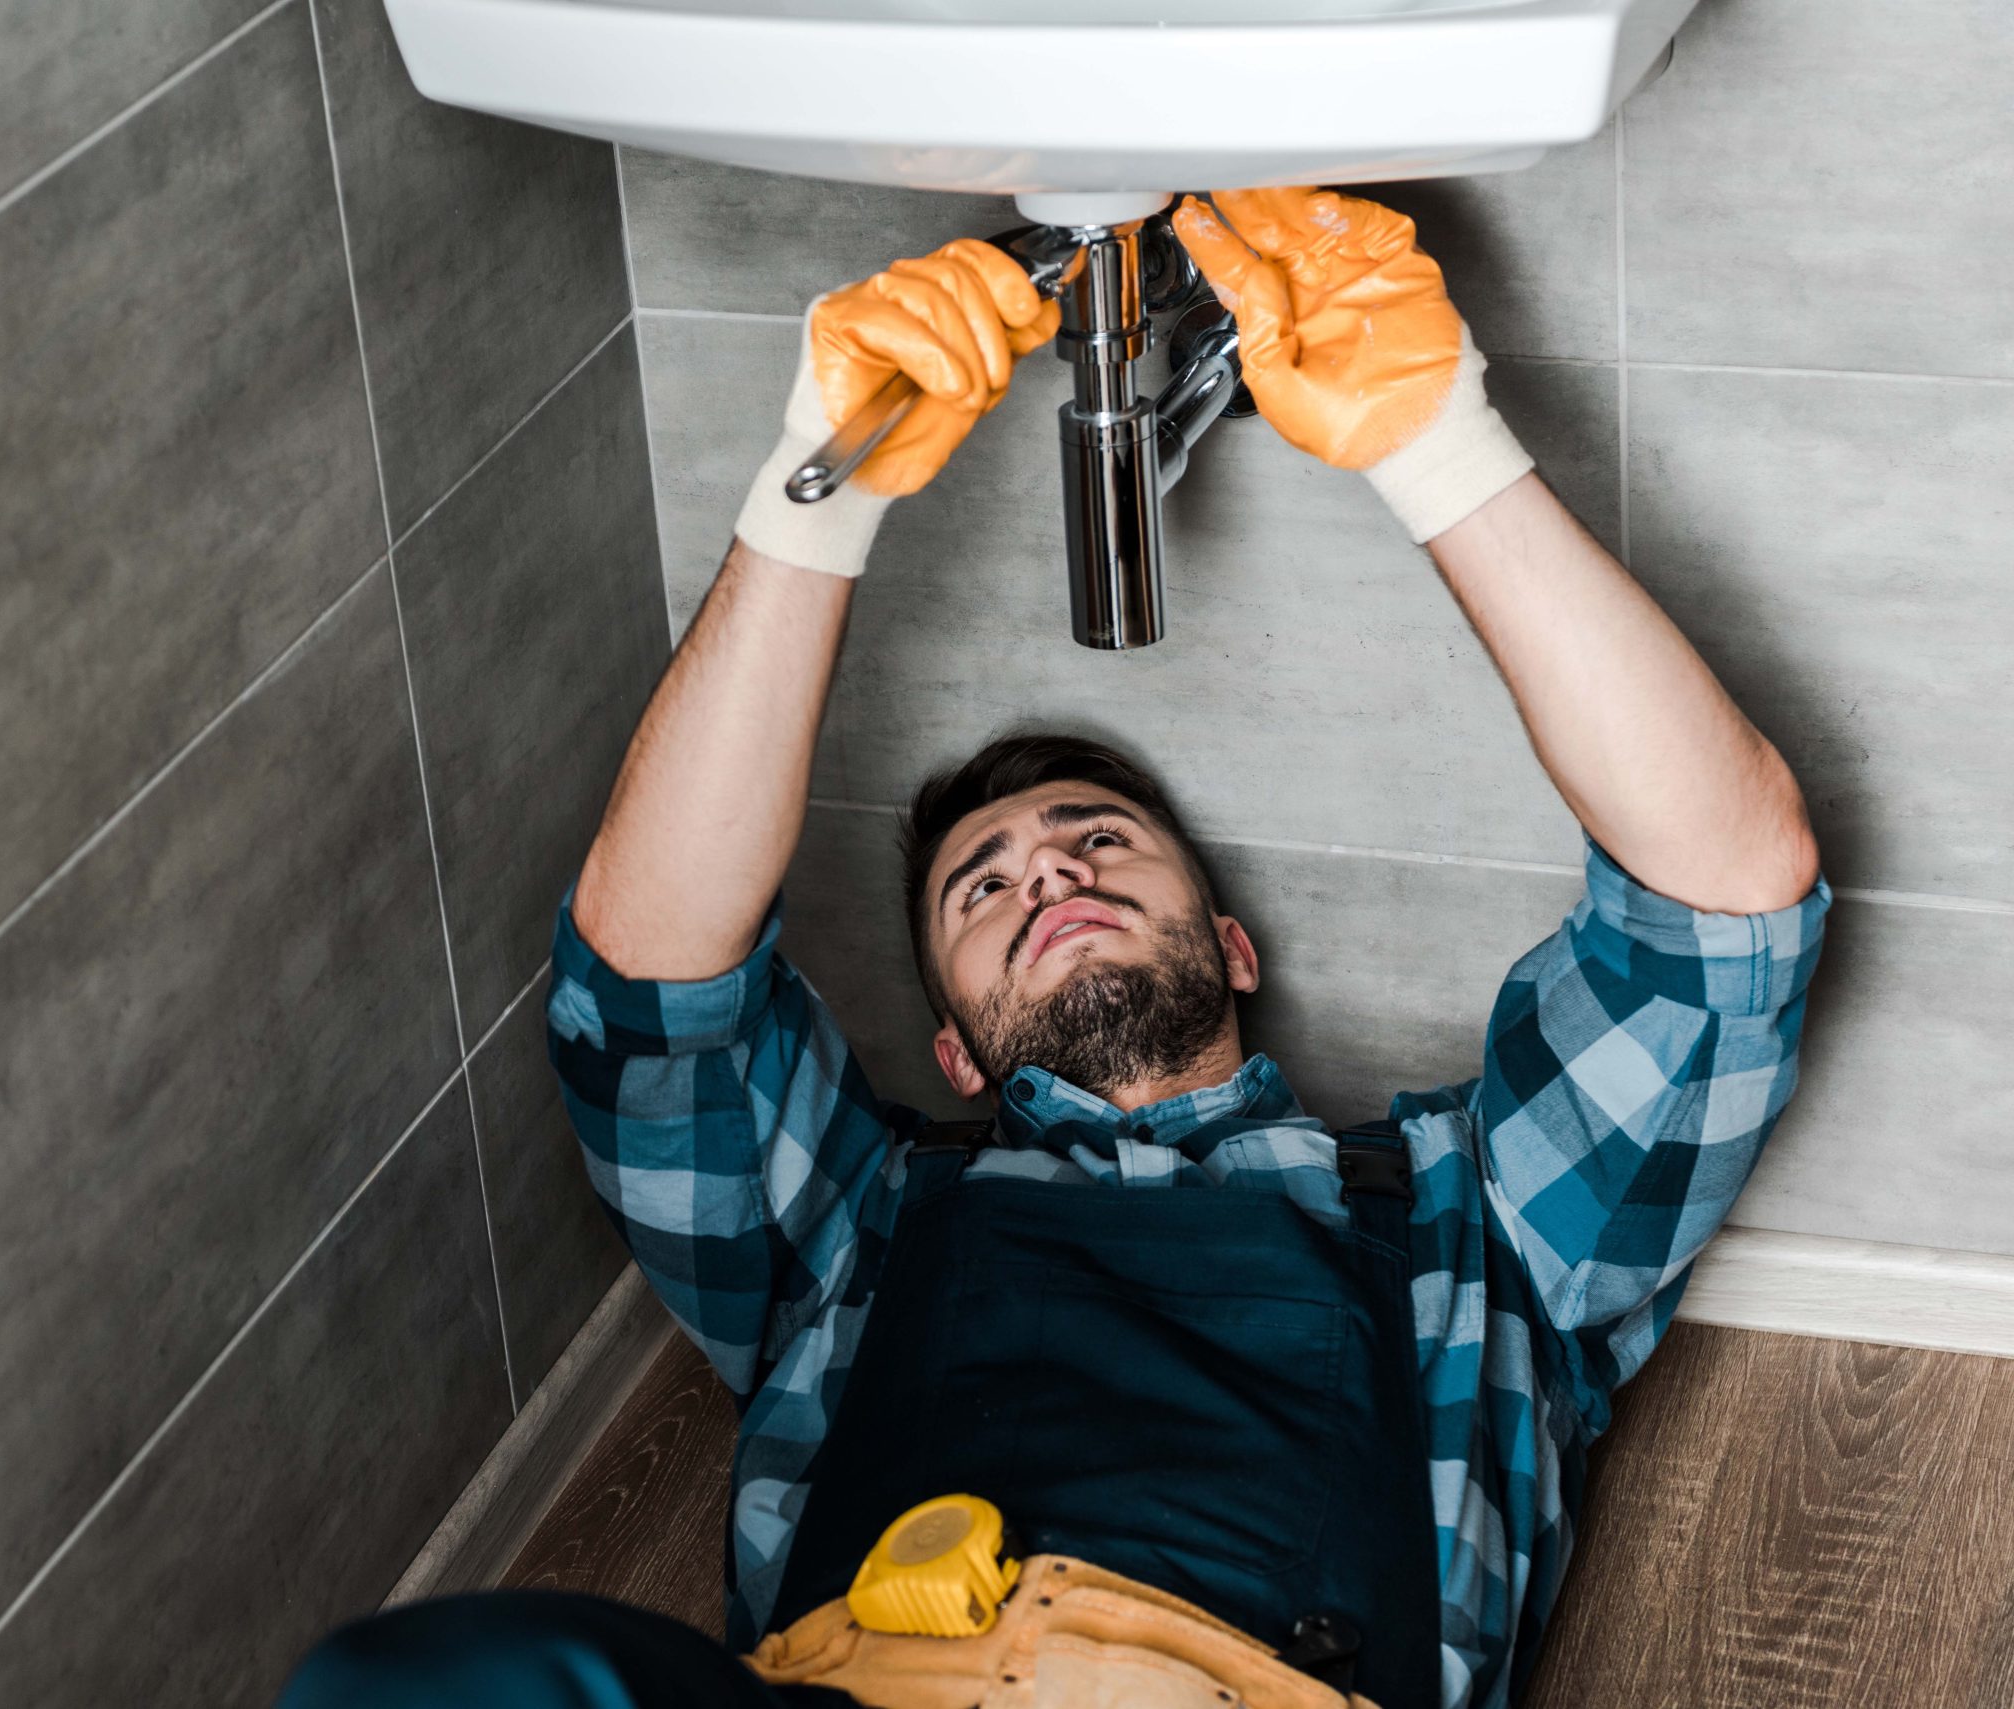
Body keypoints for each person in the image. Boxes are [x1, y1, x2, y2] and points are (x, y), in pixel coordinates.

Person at [284, 188, 1829, 1709]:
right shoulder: (854, 1231)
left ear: (1231, 944)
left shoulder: (1472, 1222)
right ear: (953, 1049)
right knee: (410, 1682)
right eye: (984, 890)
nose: (1051, 876)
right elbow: (646, 1002)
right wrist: (813, 500)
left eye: (1100, 840)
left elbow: (1725, 905)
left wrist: (1439, 445)